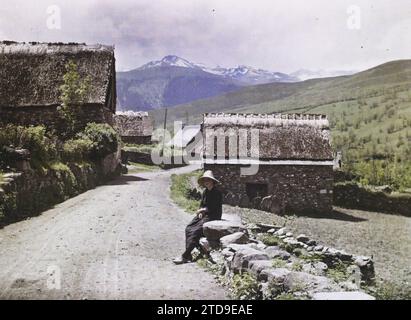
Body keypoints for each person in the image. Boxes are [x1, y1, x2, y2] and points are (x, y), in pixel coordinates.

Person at [173, 170, 222, 264]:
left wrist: (203, 210)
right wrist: (201, 212)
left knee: (196, 231)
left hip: (213, 216)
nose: (206, 182)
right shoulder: (205, 192)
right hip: (205, 215)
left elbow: (213, 207)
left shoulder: (217, 193)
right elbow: (202, 204)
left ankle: (185, 256)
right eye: (205, 180)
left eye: (208, 180)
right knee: (189, 228)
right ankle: (189, 255)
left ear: (212, 181)